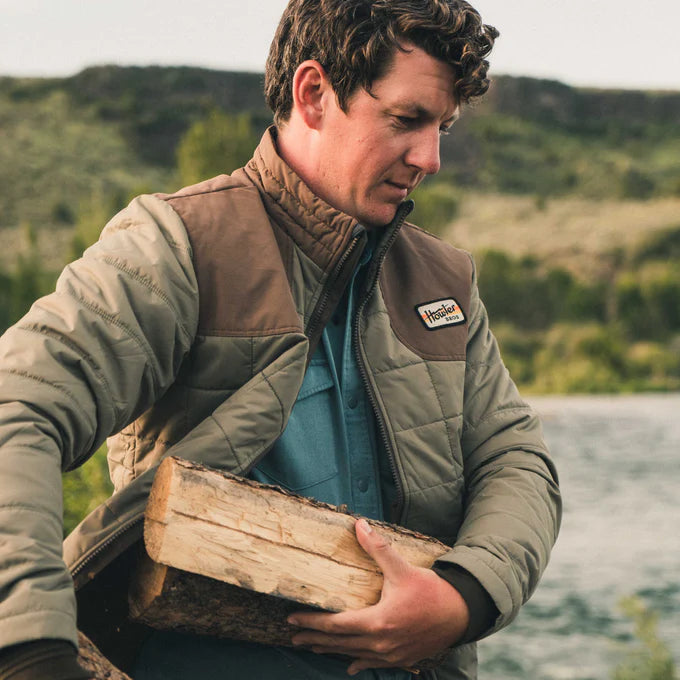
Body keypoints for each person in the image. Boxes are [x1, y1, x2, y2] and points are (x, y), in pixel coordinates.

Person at [0, 0, 561, 678]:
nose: (431, 157)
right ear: (314, 93)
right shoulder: (175, 245)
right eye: (408, 119)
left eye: (442, 126)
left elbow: (516, 460)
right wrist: (32, 652)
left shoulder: (443, 281)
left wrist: (463, 597)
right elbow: (18, 408)